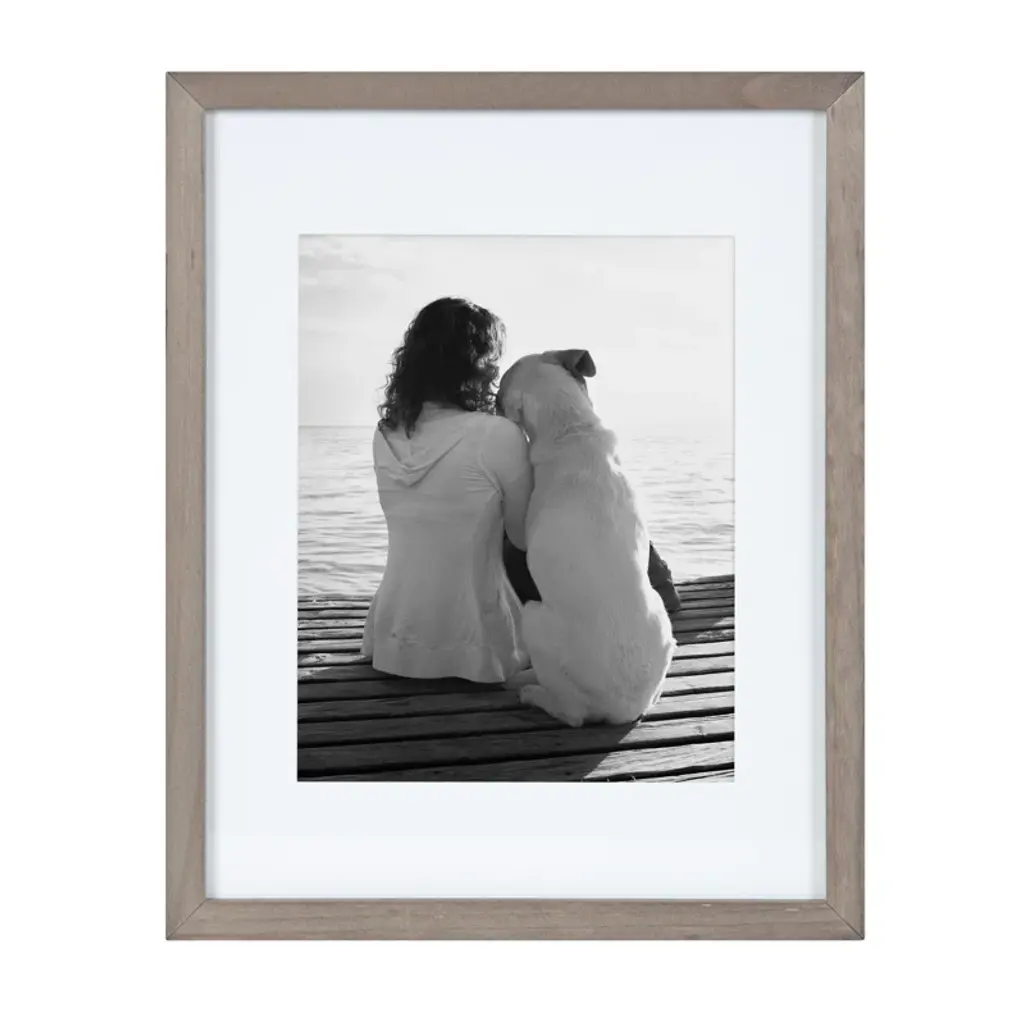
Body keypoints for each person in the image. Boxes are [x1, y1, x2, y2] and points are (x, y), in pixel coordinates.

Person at [361, 297, 532, 683]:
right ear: (477, 363)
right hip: (480, 648)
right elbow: (523, 537)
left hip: (391, 641)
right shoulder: (498, 434)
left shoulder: (384, 433)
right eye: (493, 358)